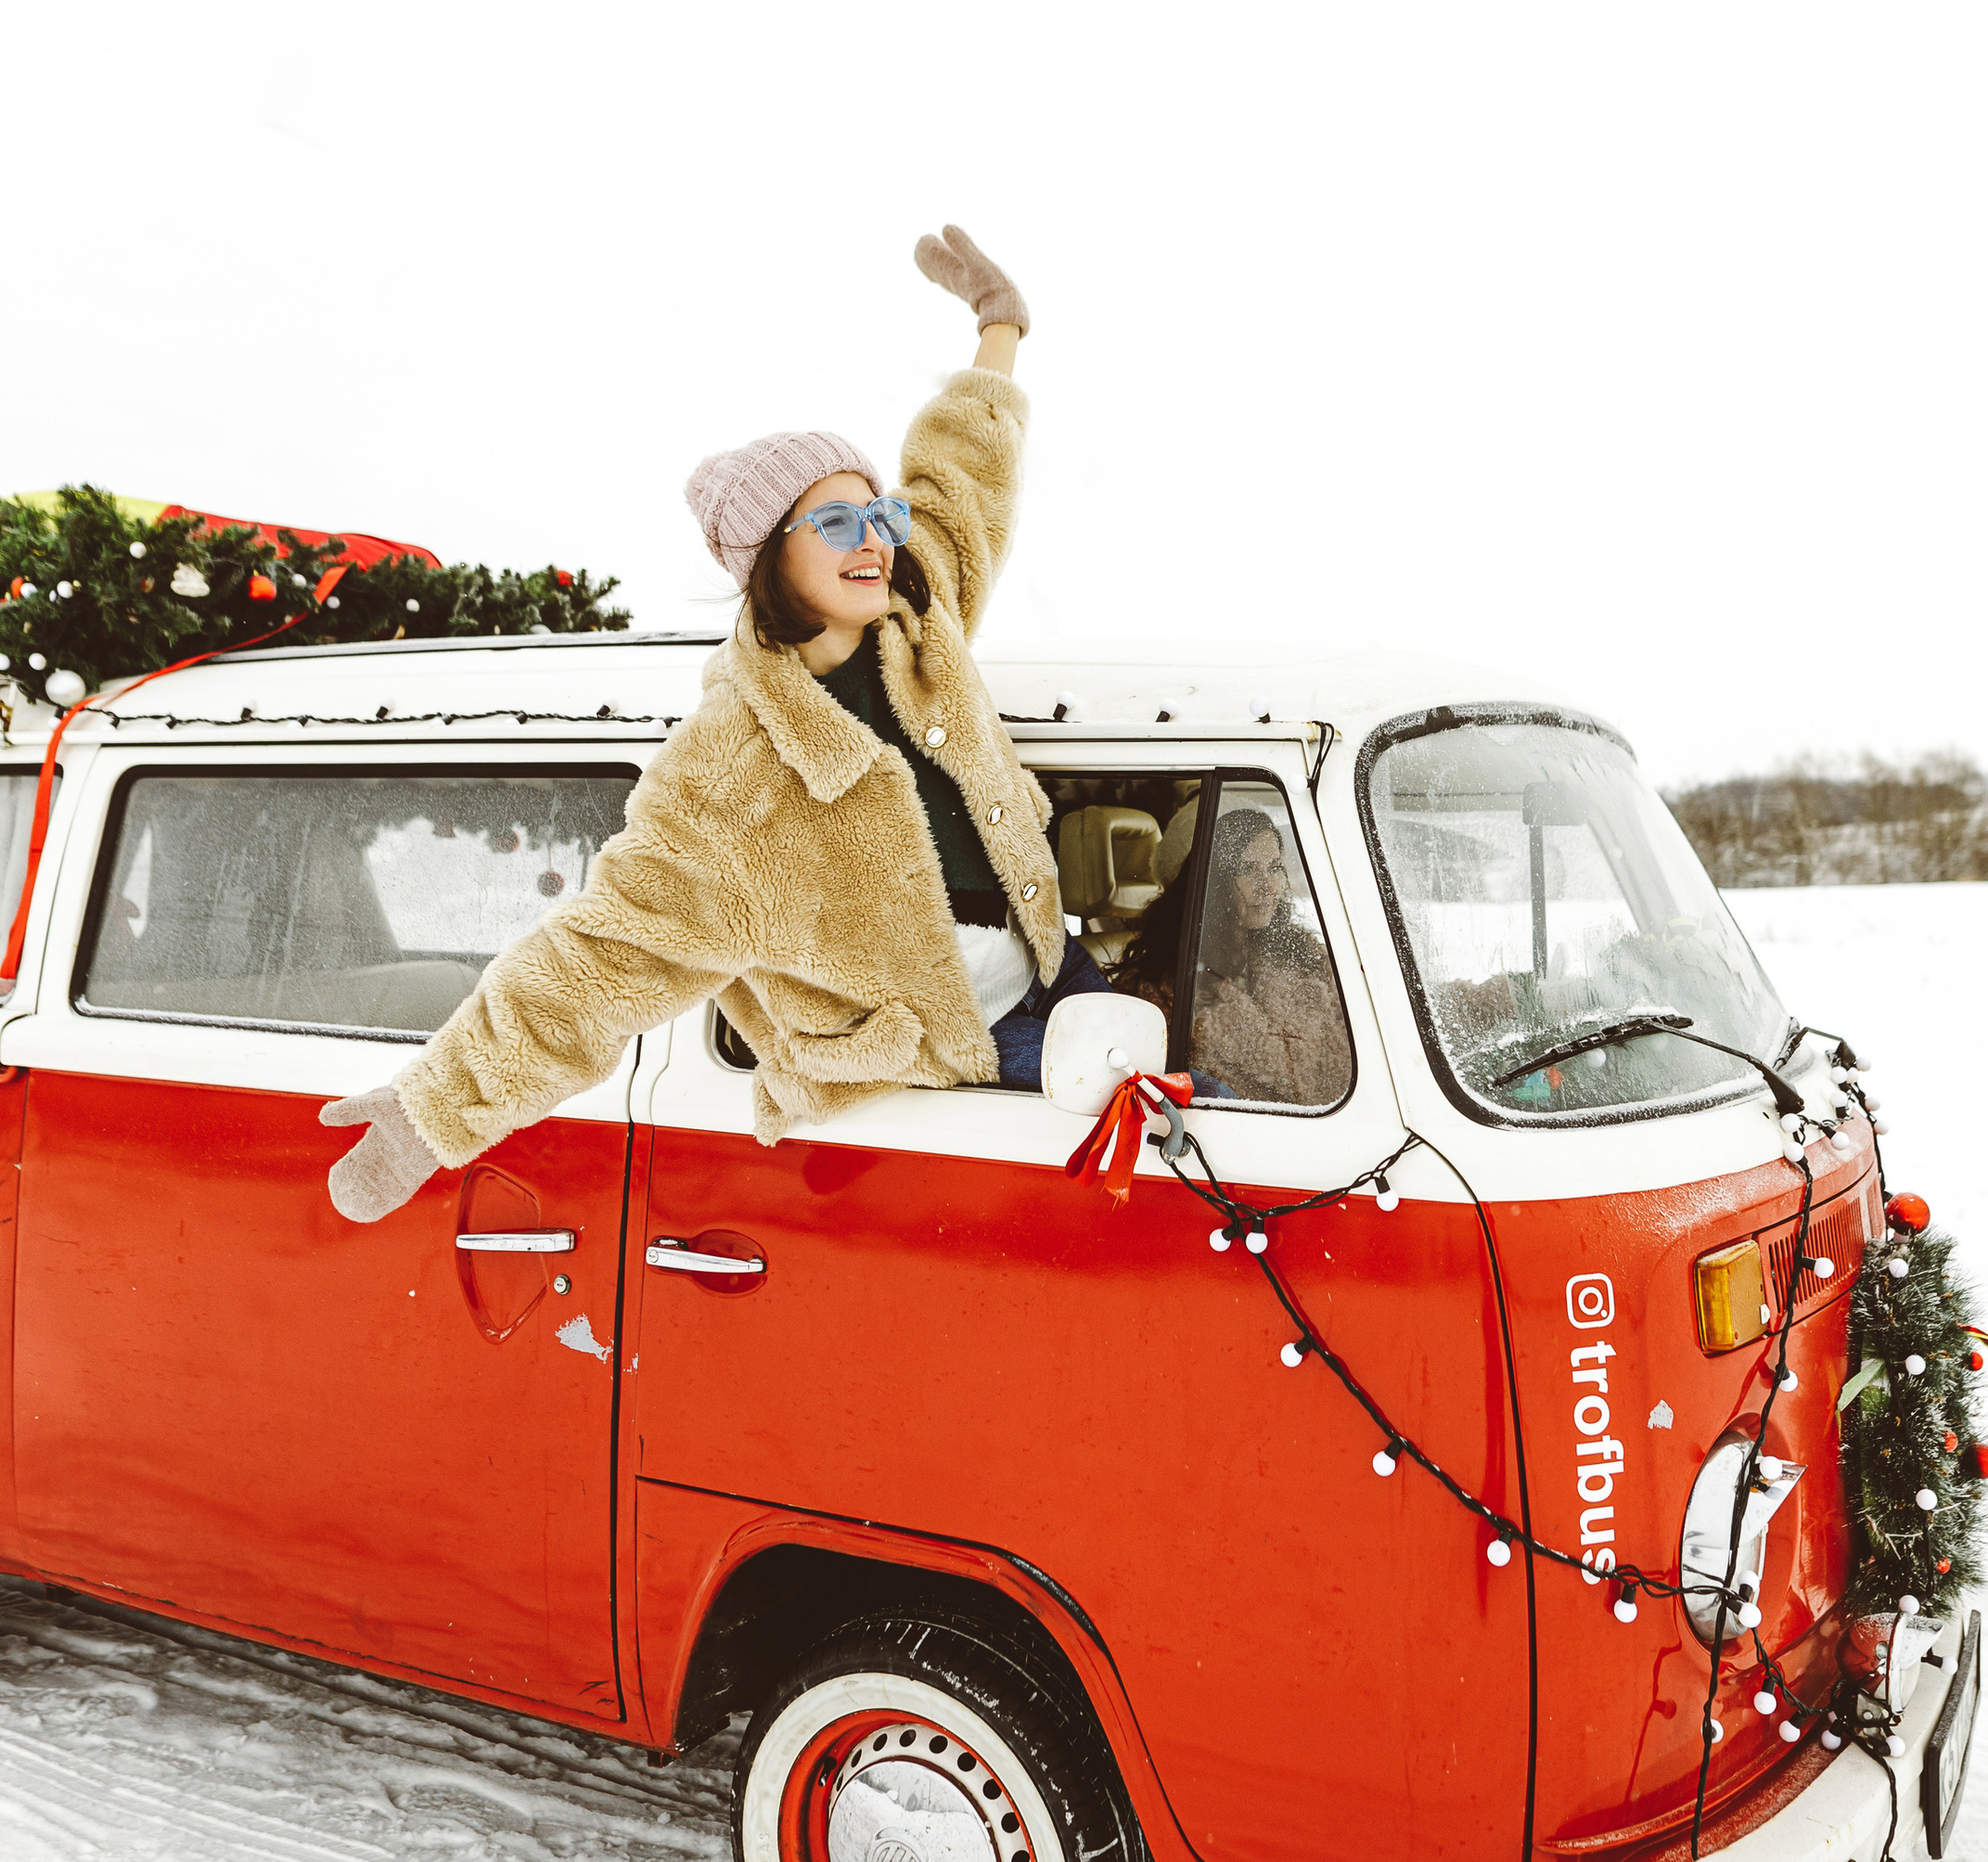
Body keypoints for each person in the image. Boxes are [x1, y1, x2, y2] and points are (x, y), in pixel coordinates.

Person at [321, 225, 1102, 1222]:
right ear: (767, 557)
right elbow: (596, 961)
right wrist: (429, 1115)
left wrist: (1000, 326)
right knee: (1192, 1136)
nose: (874, 540)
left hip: (1050, 961)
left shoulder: (919, 613)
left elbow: (962, 480)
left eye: (879, 516)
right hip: (948, 1046)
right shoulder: (732, 772)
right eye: (835, 522)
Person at [1111, 801, 1351, 1110]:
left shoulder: (1305, 958)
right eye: (1247, 869)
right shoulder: (1162, 986)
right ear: (1213, 882)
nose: (1268, 887)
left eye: (1274, 867)